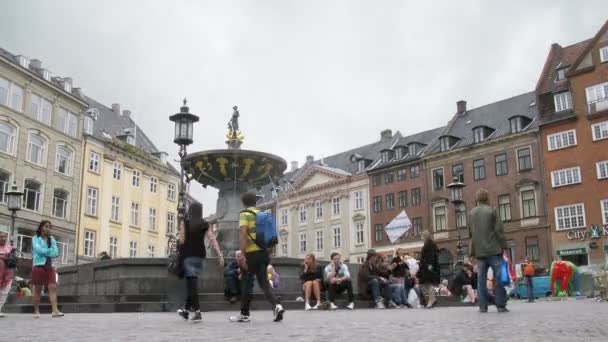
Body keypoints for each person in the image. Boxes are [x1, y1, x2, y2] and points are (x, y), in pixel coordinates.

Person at [231, 192, 284, 323]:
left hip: (251, 254)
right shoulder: (263, 215)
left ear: (243, 203)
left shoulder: (245, 214)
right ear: (255, 202)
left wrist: (242, 253)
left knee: (246, 283)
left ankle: (244, 313)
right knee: (264, 283)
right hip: (263, 253)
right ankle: (277, 305)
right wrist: (268, 252)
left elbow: (243, 233)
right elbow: (271, 236)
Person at [177, 202, 223, 323]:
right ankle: (186, 310)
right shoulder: (205, 224)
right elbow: (212, 239)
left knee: (192, 283)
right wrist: (219, 255)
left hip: (188, 255)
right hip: (200, 256)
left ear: (190, 210)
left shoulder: (185, 222)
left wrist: (182, 234)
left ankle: (197, 311)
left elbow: (181, 241)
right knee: (191, 283)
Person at [468, 188, 508, 313]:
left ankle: (482, 306)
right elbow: (498, 231)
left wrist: (472, 251)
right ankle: (500, 305)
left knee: (481, 280)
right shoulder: (492, 211)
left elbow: (471, 234)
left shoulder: (471, 213)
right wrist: (504, 246)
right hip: (494, 250)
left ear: (477, 199)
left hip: (479, 252)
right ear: (487, 198)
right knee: (498, 278)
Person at [31, 220, 62, 318]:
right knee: (38, 289)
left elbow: (56, 252)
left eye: (49, 227)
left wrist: (48, 252)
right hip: (39, 265)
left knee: (53, 287)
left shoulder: (52, 239)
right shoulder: (35, 238)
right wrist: (49, 251)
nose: (48, 228)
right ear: (41, 227)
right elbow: (38, 250)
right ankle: (36, 311)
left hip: (49, 266)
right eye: (46, 226)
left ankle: (55, 311)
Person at [417, 231, 440, 308]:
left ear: (425, 236)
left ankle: (431, 299)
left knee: (428, 283)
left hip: (427, 266)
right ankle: (432, 299)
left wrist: (430, 264)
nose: (421, 238)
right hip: (426, 265)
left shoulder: (429, 244)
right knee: (427, 283)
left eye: (422, 236)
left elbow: (431, 255)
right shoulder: (429, 244)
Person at [0, 231, 14, 317]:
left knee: (4, 293)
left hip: (8, 274)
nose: (2, 238)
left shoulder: (10, 248)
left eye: (4, 237)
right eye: (1, 236)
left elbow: (13, 260)